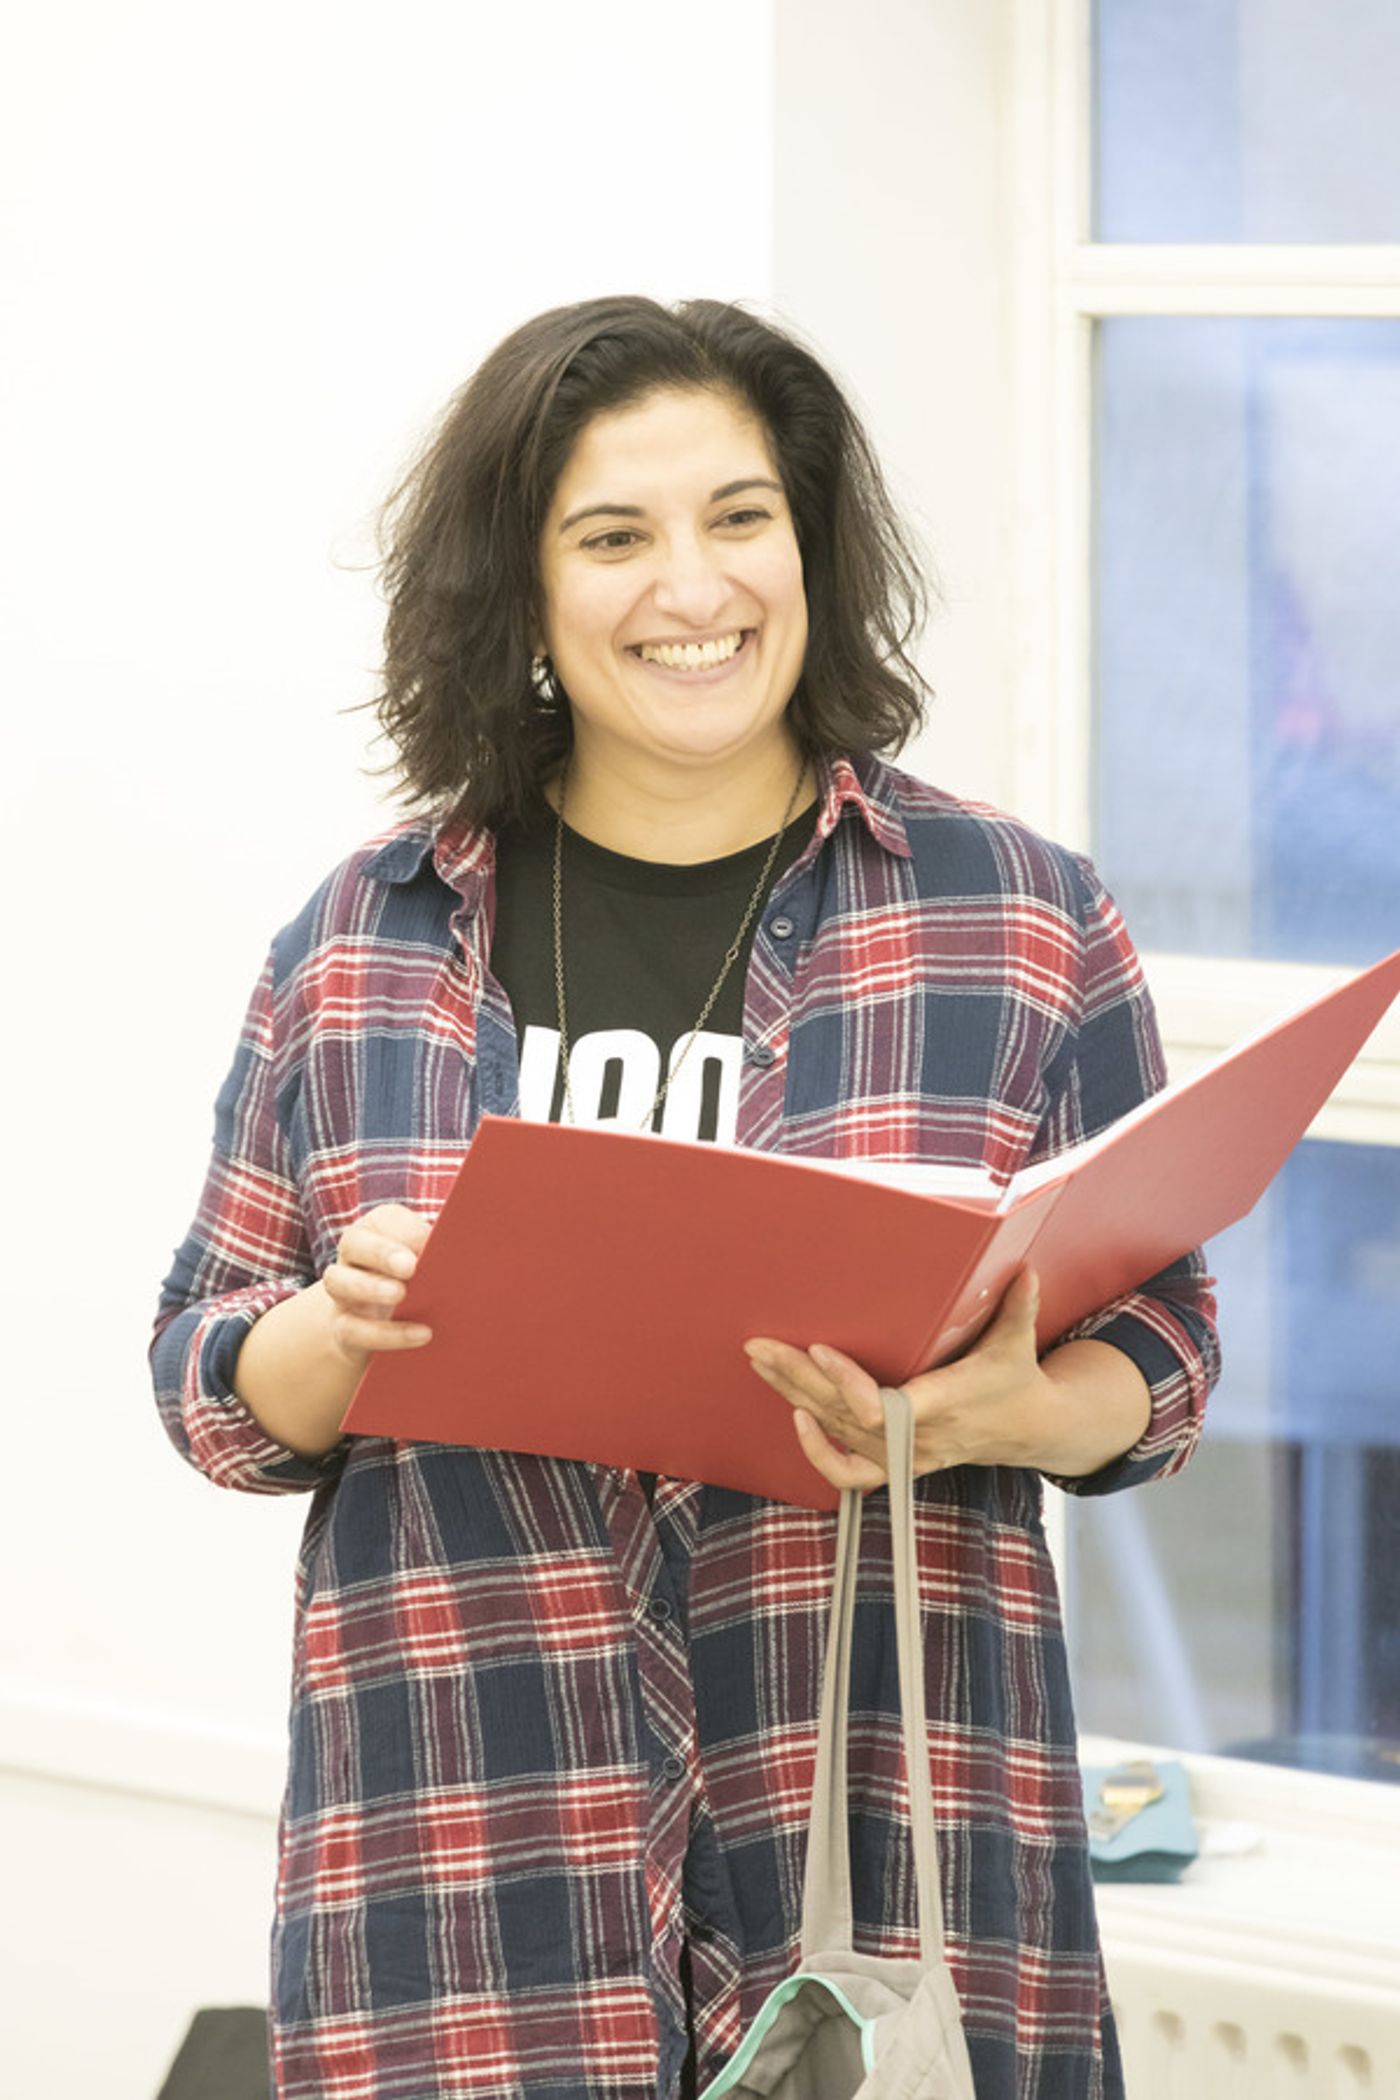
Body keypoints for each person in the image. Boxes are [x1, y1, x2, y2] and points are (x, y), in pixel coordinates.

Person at [152, 295, 1220, 2100]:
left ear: (810, 544)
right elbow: (206, 1380)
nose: (694, 585)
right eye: (613, 536)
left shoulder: (1018, 915)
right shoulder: (358, 943)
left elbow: (1166, 1351)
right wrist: (334, 1334)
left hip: (900, 1868)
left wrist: (1015, 1410)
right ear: (529, 592)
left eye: (740, 517)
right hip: (470, 1882)